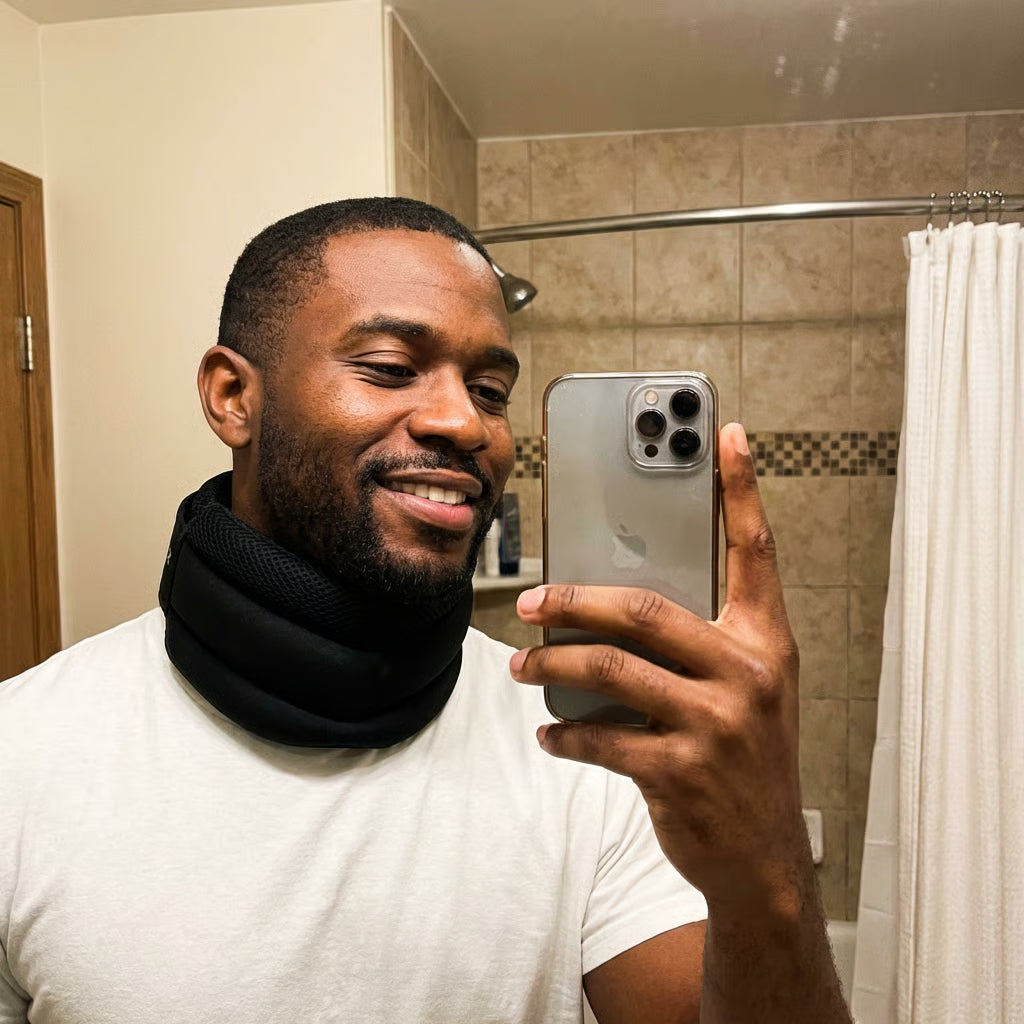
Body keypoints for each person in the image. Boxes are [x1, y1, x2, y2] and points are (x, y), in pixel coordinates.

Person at [0, 198, 850, 1024]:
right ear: (233, 396)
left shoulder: (586, 748)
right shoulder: (23, 755)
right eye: (389, 368)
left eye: (490, 389)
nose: (464, 423)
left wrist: (765, 862)